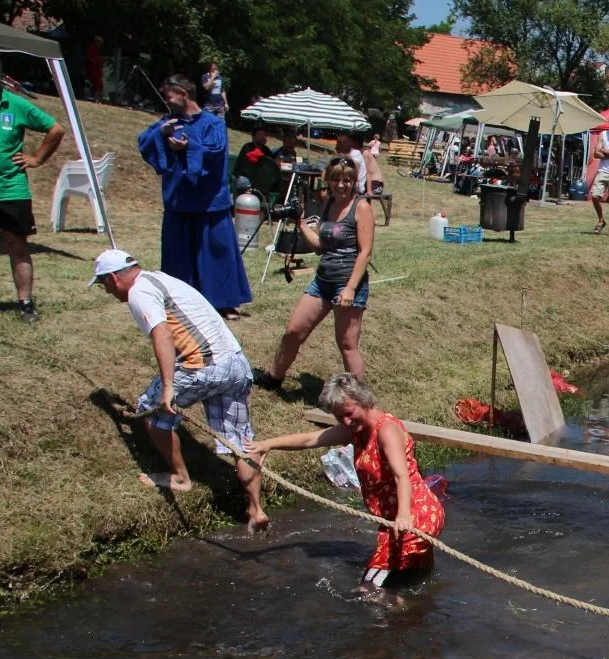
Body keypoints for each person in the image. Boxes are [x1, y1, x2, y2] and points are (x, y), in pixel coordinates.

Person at [90, 248, 265, 531]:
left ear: (113, 278)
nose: (107, 291)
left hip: (204, 366)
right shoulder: (160, 278)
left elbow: (162, 332)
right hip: (236, 363)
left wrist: (169, 386)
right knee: (240, 441)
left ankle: (181, 478)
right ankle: (256, 509)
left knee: (149, 409)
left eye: (103, 285)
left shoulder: (138, 292)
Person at [249, 374, 445, 590]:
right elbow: (310, 439)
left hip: (415, 519)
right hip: (396, 520)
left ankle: (400, 614)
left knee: (368, 590)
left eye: (349, 414)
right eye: (339, 417)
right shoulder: (354, 430)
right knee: (416, 583)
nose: (346, 422)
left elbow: (402, 476)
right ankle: (415, 613)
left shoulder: (386, 430)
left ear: (364, 401)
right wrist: (268, 444)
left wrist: (404, 516)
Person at [138, 74, 251, 320]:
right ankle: (180, 302)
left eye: (169, 96)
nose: (167, 102)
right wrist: (160, 133)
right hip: (179, 201)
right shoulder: (167, 121)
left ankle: (224, 303)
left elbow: (216, 150)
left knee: (217, 253)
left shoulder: (213, 123)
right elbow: (144, 143)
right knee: (179, 257)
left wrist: (188, 147)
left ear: (183, 94)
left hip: (210, 201)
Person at [256, 157, 374, 386]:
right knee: (293, 331)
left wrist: (350, 289)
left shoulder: (362, 207)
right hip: (323, 281)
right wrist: (300, 223)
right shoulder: (329, 204)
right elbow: (320, 246)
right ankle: (274, 377)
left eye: (347, 180)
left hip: (348, 283)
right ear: (328, 180)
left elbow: (365, 252)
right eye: (337, 179)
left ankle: (361, 401)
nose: (342, 184)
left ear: (354, 181)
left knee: (347, 344)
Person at [0, 47, 65, 324]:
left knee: (17, 246)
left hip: (12, 190)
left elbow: (56, 129)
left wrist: (36, 158)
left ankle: (25, 302)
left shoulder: (15, 104)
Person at [232, 125, 280, 202]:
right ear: (253, 136)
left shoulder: (266, 150)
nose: (263, 137)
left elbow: (272, 162)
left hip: (258, 179)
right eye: (260, 134)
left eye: (265, 135)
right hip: (245, 177)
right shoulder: (247, 147)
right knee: (244, 181)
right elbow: (253, 157)